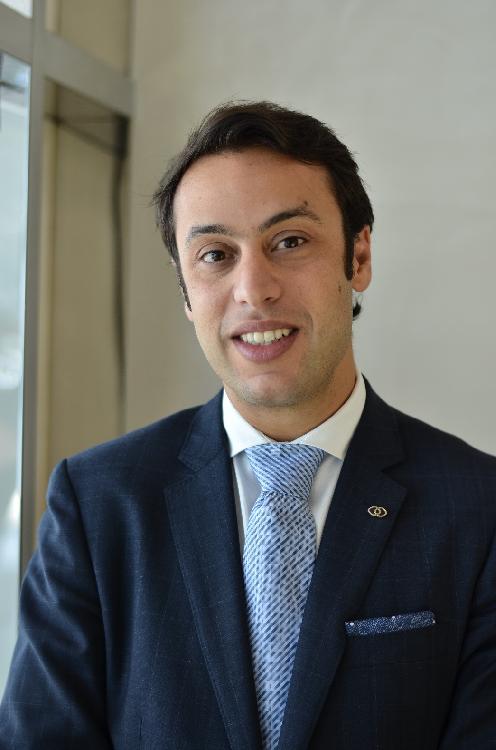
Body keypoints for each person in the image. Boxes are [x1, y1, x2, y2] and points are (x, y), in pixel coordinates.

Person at [0, 101, 495, 750]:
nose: (254, 289)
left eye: (289, 242)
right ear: (185, 290)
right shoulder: (99, 504)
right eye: (215, 254)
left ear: (358, 256)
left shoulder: (478, 508)